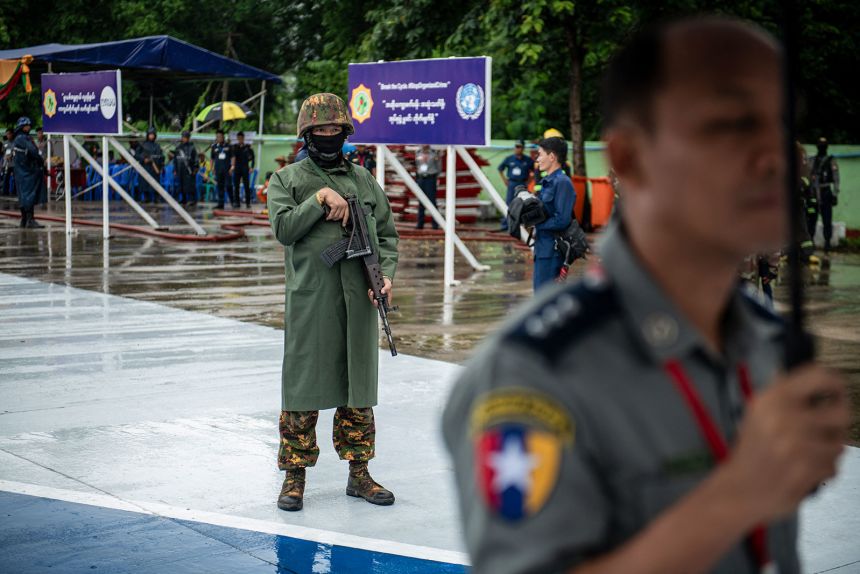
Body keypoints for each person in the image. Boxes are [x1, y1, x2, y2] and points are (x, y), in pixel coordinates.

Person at [443, 17, 849, 574]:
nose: (774, 156)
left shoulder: (763, 337)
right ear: (631, 158)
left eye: (779, 125)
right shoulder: (536, 370)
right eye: (731, 124)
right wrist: (739, 493)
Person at [266, 92, 399, 512]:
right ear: (307, 134)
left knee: (358, 388)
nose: (328, 136)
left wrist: (387, 274)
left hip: (359, 300)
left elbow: (389, 234)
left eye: (335, 130)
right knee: (302, 390)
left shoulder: (364, 181)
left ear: (344, 133)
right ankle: (294, 478)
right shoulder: (287, 180)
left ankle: (360, 475)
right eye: (320, 130)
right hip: (313, 302)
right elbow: (284, 229)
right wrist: (320, 198)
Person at [531, 137, 575, 291]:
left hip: (553, 252)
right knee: (539, 296)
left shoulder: (562, 182)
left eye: (540, 154)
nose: (538, 159)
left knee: (544, 298)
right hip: (543, 249)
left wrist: (538, 223)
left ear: (552, 157)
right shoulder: (548, 181)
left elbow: (562, 219)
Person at [809, 137, 840, 253]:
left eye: (823, 145)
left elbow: (836, 179)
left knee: (827, 220)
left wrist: (835, 194)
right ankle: (810, 243)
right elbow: (808, 176)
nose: (821, 147)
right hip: (813, 194)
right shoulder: (812, 160)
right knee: (811, 219)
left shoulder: (831, 161)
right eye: (820, 145)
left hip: (826, 193)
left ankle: (827, 243)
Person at [12, 117, 43, 229]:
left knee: (23, 195)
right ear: (22, 126)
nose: (29, 127)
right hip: (27, 172)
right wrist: (41, 161)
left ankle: (24, 220)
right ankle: (30, 220)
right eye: (27, 125)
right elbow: (33, 151)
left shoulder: (17, 138)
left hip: (20, 172)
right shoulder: (23, 138)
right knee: (29, 195)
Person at [497, 140, 535, 230]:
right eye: (516, 147)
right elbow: (500, 169)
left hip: (522, 183)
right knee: (509, 203)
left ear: (523, 148)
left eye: (519, 147)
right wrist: (505, 180)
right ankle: (505, 225)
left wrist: (528, 182)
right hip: (512, 183)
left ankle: (519, 225)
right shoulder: (509, 158)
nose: (517, 149)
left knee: (522, 204)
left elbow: (534, 172)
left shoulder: (528, 160)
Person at [414, 144, 440, 229]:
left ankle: (435, 224)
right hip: (421, 178)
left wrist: (435, 176)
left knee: (432, 201)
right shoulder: (417, 153)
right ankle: (420, 223)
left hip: (430, 179)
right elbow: (416, 165)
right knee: (421, 201)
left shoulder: (434, 153)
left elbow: (439, 167)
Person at [136, 127, 163, 203]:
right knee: (144, 183)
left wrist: (156, 162)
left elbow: (160, 156)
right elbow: (137, 155)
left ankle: (156, 198)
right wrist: (144, 159)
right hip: (145, 167)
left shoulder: (157, 146)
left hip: (154, 167)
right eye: (150, 134)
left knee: (155, 183)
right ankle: (146, 197)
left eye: (153, 135)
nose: (151, 136)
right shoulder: (142, 145)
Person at [173, 131, 199, 206]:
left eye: (185, 137)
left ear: (188, 138)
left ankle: (192, 200)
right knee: (181, 184)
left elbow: (196, 159)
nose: (184, 139)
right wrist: (175, 169)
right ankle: (183, 199)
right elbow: (175, 159)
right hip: (180, 169)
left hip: (189, 170)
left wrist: (195, 168)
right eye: (183, 137)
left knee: (190, 185)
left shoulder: (192, 148)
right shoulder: (178, 148)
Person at [231, 131, 255, 208]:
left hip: (245, 167)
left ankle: (248, 203)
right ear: (237, 138)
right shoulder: (234, 147)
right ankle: (237, 202)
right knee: (236, 185)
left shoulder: (248, 147)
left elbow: (253, 158)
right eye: (239, 138)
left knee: (246, 185)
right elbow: (232, 157)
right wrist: (232, 166)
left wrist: (251, 167)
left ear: (243, 138)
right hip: (237, 168)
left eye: (242, 138)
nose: (240, 139)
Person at [210, 129, 233, 209]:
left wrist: (232, 167)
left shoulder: (228, 146)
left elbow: (233, 157)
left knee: (228, 185)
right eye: (217, 136)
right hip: (218, 169)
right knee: (219, 186)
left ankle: (233, 202)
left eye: (220, 136)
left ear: (223, 137)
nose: (219, 138)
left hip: (227, 169)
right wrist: (212, 168)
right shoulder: (214, 147)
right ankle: (220, 203)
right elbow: (212, 158)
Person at [2, 128, 15, 197]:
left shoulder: (15, 142)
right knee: (5, 177)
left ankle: (14, 192)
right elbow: (3, 151)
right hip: (6, 163)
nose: (8, 135)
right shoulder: (5, 143)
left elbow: (15, 150)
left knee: (15, 178)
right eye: (7, 134)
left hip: (14, 163)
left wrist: (11, 155)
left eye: (9, 134)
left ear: (12, 134)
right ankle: (5, 191)